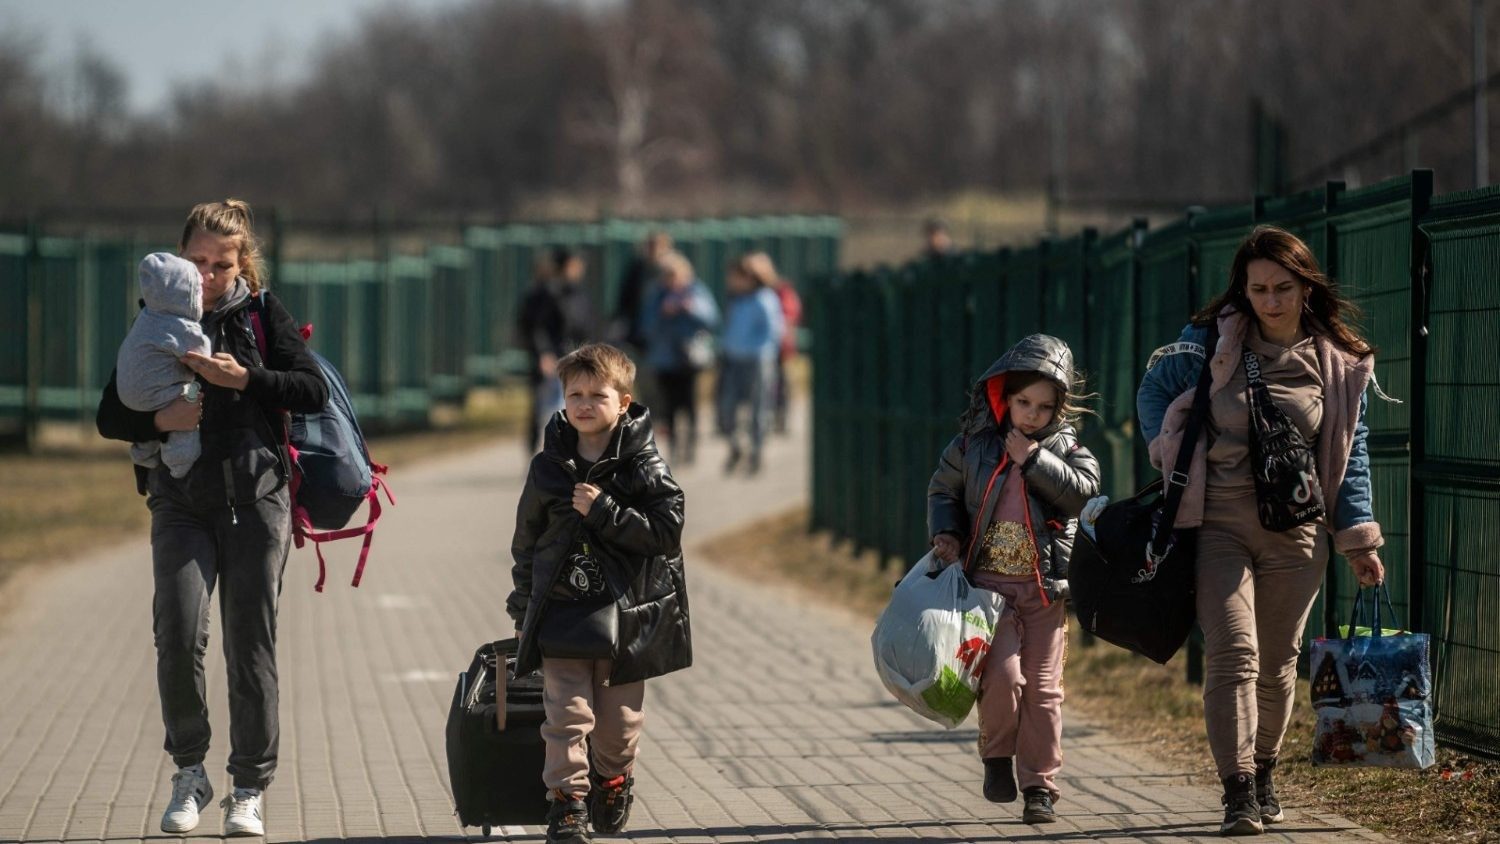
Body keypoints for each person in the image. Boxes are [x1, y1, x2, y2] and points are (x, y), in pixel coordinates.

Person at [1132, 225, 1386, 836]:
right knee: (1232, 652)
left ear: (1305, 287)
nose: (1270, 301)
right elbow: (1152, 392)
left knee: (1277, 663)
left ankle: (1265, 768)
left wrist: (1359, 542)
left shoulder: (1337, 363)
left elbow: (1351, 455)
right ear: (1242, 292)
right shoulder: (1206, 343)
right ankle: (1237, 790)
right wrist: (1166, 446)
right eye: (1258, 290)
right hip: (1216, 522)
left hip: (1297, 534)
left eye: (1282, 288)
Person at [96, 199, 328, 837]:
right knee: (177, 628)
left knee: (249, 645)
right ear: (178, 258)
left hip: (256, 499)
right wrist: (157, 422)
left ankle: (248, 786)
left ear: (240, 264)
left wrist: (245, 378)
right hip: (179, 500)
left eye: (220, 265)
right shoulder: (157, 317)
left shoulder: (259, 313)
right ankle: (190, 771)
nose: (206, 276)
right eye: (195, 261)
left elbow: (313, 389)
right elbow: (108, 414)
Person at [507, 343, 691, 844]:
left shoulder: (643, 464)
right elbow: (526, 542)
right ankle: (567, 805)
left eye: (597, 395)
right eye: (574, 395)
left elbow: (667, 530)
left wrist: (605, 510)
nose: (584, 404)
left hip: (626, 616)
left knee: (617, 728)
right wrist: (522, 606)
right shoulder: (548, 467)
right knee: (566, 715)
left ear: (624, 402)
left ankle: (612, 778)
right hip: (562, 612)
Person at [927, 334, 1100, 825]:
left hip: (1046, 594)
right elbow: (944, 488)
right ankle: (997, 757)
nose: (1031, 415)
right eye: (1023, 402)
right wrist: (947, 533)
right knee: (1003, 680)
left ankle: (1040, 786)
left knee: (1044, 692)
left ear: (1059, 408)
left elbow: (1084, 493)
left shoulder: (1068, 448)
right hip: (988, 594)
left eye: (1044, 407)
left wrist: (1035, 459)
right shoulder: (973, 446)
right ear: (1003, 396)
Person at [114, 252, 213, 478]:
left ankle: (143, 451)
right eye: (196, 291)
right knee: (191, 393)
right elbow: (201, 357)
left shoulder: (148, 316)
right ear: (184, 294)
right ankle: (180, 460)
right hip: (155, 393)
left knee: (164, 398)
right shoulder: (179, 326)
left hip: (128, 395)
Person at [639, 251, 719, 466]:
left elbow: (711, 318)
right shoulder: (656, 295)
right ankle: (674, 447)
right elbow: (646, 326)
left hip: (689, 357)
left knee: (690, 403)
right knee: (670, 406)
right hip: (664, 359)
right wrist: (663, 312)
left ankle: (691, 445)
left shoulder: (696, 291)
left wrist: (689, 308)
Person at [519, 247, 597, 454]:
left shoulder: (579, 294)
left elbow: (587, 326)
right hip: (553, 360)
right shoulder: (547, 293)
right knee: (545, 408)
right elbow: (537, 327)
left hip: (575, 356)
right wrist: (544, 353)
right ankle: (540, 454)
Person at [716, 253, 785, 475]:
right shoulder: (735, 300)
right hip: (734, 359)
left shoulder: (765, 299)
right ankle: (736, 446)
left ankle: (756, 451)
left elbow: (774, 331)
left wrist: (758, 351)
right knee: (726, 407)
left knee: (758, 408)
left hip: (758, 360)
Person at [758, 254, 802, 435]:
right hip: (761, 346)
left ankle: (780, 417)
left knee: (781, 383)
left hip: (780, 346)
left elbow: (790, 314)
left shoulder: (781, 290)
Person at [610, 230, 672, 353]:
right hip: (638, 330)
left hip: (664, 332)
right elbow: (625, 299)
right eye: (651, 246)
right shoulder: (636, 269)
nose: (654, 250)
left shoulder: (672, 270)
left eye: (658, 246)